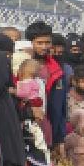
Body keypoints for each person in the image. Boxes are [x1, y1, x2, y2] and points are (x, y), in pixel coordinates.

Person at [26, 21, 66, 149]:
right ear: (31, 43)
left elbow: (61, 107)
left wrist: (59, 138)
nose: (44, 47)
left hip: (48, 129)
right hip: (27, 127)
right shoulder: (21, 66)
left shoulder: (57, 70)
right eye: (39, 43)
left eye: (47, 43)